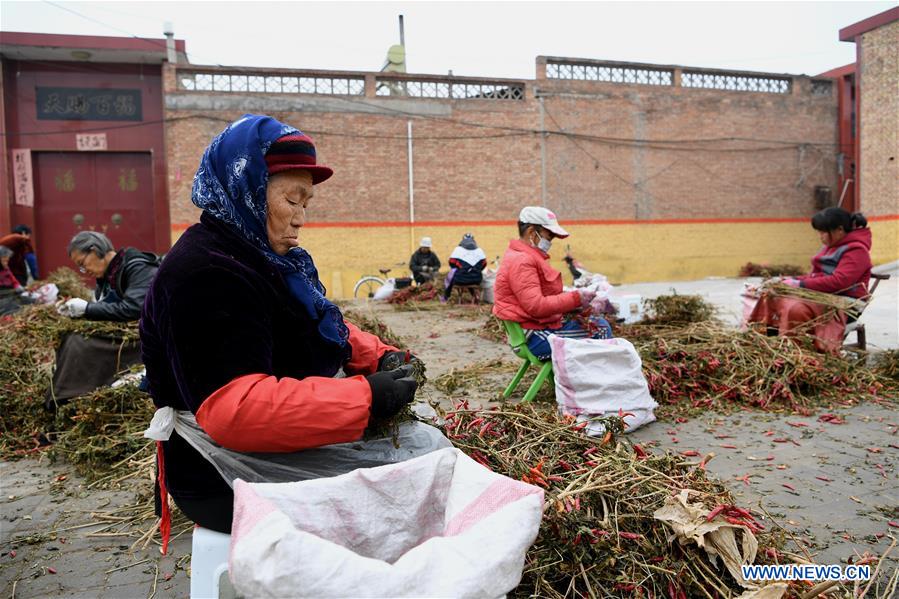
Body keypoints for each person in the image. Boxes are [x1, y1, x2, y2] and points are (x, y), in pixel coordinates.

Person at [140, 115, 426, 534]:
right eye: (292, 201)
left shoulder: (257, 254)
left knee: (426, 454)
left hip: (272, 447)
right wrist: (366, 398)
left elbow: (306, 321)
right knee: (423, 467)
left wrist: (376, 355)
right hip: (223, 475)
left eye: (305, 204)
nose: (300, 219)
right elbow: (235, 410)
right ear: (247, 188)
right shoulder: (205, 272)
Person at [493, 207, 612, 360]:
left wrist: (576, 302)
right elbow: (536, 306)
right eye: (548, 236)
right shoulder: (523, 261)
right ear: (531, 232)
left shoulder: (522, 256)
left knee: (591, 323)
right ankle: (594, 380)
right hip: (535, 338)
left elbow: (540, 298)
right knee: (600, 328)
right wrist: (576, 298)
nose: (550, 242)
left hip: (529, 331)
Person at [749, 208, 872, 353]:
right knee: (770, 295)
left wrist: (800, 284)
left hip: (845, 303)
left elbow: (839, 281)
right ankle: (765, 340)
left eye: (823, 232)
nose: (820, 236)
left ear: (839, 230)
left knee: (796, 309)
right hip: (825, 296)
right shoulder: (831, 247)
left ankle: (794, 350)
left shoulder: (857, 250)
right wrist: (790, 281)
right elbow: (815, 275)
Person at [57, 231, 160, 321]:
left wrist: (87, 308)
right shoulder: (106, 278)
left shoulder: (138, 268)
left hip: (153, 336)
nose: (85, 271)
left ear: (95, 250)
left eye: (82, 263)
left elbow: (134, 309)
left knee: (75, 341)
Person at [443, 233, 487, 301]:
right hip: (476, 280)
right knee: (471, 275)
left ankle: (446, 297)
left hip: (460, 280)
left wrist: (460, 268)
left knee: (451, 275)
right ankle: (475, 297)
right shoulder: (479, 251)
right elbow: (484, 264)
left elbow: (451, 263)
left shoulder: (457, 250)